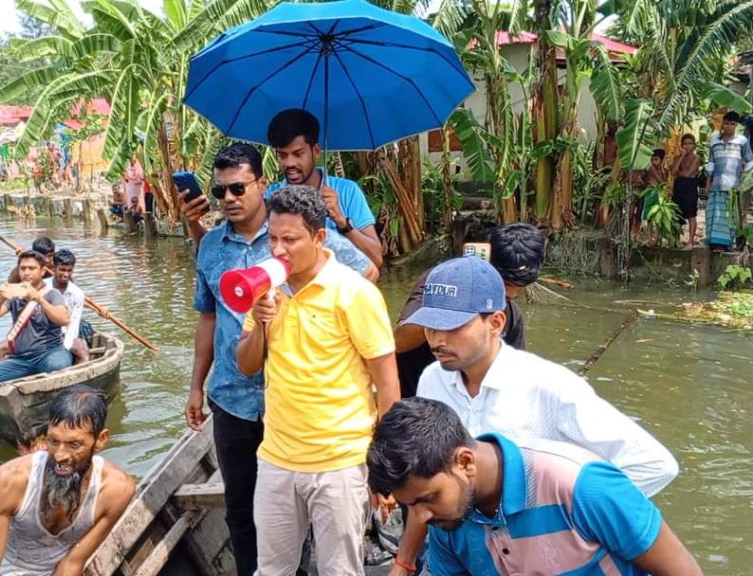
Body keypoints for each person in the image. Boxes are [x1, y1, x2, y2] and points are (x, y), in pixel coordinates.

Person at [389, 257, 679, 573]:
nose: (437, 340)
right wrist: (405, 562)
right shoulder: (433, 380)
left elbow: (653, 464)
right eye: (431, 326)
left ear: (496, 323)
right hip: (471, 551)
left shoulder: (549, 385)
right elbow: (426, 482)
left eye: (452, 327)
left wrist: (573, 520)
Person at [186, 144, 378, 576]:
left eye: (238, 188)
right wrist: (196, 385)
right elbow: (207, 316)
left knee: (306, 510)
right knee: (241, 507)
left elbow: (367, 270)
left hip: (298, 404)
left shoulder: (293, 232)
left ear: (262, 183)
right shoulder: (211, 246)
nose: (229, 198)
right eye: (220, 191)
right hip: (234, 396)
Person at [234, 185, 400, 576]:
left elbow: (388, 384)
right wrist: (261, 321)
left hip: (341, 462)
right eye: (273, 238)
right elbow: (247, 365)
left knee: (338, 570)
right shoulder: (265, 287)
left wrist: (384, 465)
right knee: (271, 570)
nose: (278, 250)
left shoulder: (354, 293)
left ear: (319, 236)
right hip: (276, 457)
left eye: (290, 240)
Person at [368, 398, 703, 576]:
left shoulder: (582, 486)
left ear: (465, 463)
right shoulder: (447, 520)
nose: (421, 517)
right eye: (411, 505)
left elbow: (682, 571)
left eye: (428, 499)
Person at [179, 108, 383, 272]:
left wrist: (342, 222)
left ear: (316, 151)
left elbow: (376, 259)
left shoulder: (346, 192)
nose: (289, 163)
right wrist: (193, 223)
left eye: (298, 154)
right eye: (282, 155)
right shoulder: (270, 196)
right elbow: (226, 248)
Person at [0, 386, 135, 576]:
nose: (59, 456)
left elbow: (72, 563)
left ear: (101, 440)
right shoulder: (9, 480)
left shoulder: (116, 490)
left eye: (74, 444)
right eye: (54, 441)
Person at [394, 224, 543, 399]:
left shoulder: (511, 315)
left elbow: (513, 373)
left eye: (521, 287)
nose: (512, 294)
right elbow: (398, 343)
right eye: (506, 284)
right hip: (416, 395)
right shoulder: (443, 281)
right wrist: (450, 313)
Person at [0, 250, 72, 386]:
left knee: (56, 366)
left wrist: (39, 300)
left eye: (32, 268)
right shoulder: (14, 295)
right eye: (23, 268)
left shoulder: (52, 294)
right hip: (22, 359)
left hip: (50, 353)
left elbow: (64, 320)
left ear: (42, 271)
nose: (26, 272)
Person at [706, 111, 753, 250]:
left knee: (730, 216)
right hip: (716, 184)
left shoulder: (742, 141)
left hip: (733, 186)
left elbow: (750, 162)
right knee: (714, 214)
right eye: (726, 123)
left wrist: (745, 179)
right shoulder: (714, 141)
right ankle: (713, 242)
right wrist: (708, 182)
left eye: (732, 124)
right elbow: (711, 163)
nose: (729, 126)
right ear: (722, 124)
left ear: (736, 125)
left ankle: (725, 244)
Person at [52, 249, 90, 365]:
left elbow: (73, 327)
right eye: (62, 270)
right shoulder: (43, 287)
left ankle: (81, 373)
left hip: (65, 335)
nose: (66, 274)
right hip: (43, 336)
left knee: (82, 351)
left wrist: (65, 348)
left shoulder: (77, 294)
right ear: (54, 268)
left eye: (69, 270)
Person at [673, 134, 702, 247]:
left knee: (691, 215)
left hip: (690, 188)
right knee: (677, 214)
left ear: (694, 145)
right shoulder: (678, 157)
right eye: (685, 144)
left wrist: (679, 173)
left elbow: (689, 174)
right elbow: (673, 172)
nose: (687, 146)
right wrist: (681, 158)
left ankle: (690, 241)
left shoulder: (696, 158)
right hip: (678, 187)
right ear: (681, 145)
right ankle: (676, 240)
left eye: (690, 143)